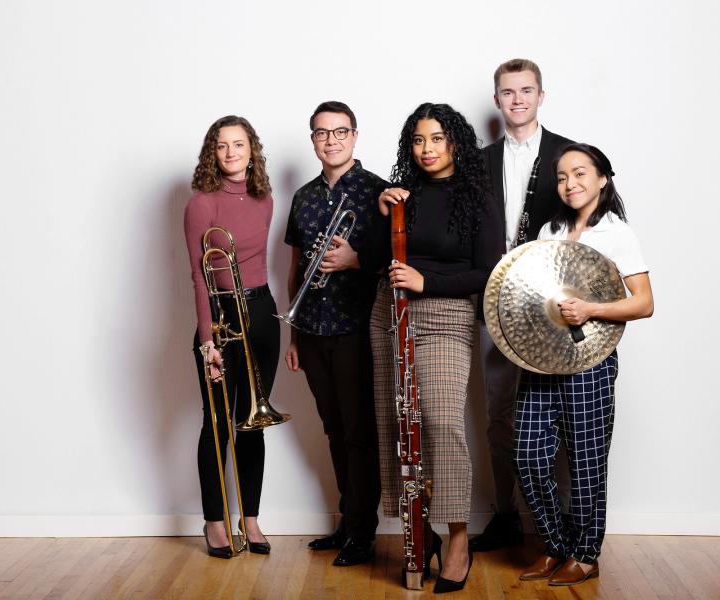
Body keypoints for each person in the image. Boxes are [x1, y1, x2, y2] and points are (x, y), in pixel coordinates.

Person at [374, 103, 503, 593]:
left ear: (455, 143)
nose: (426, 150)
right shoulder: (402, 195)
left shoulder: (478, 198)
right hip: (388, 311)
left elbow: (488, 273)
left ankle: (457, 538)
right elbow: (373, 261)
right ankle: (416, 532)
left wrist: (427, 281)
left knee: (442, 421)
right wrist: (382, 213)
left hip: (445, 314)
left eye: (436, 139)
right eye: (418, 140)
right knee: (395, 422)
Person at [514, 143, 654, 586]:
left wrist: (590, 309)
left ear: (602, 179)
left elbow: (644, 303)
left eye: (579, 174)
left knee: (587, 460)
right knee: (528, 453)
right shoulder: (549, 230)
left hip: (590, 360)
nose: (569, 183)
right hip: (541, 359)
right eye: (561, 176)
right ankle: (555, 545)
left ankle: (586, 554)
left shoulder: (616, 233)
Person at [472, 58, 575, 552]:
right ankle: (507, 513)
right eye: (508, 92)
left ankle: (562, 520)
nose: (517, 99)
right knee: (499, 412)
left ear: (541, 95)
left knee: (559, 410)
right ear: (497, 100)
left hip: (550, 305)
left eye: (526, 90)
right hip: (495, 303)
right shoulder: (480, 160)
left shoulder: (566, 154)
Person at [283, 101, 384, 567]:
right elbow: (295, 266)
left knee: (360, 432)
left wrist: (356, 260)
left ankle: (363, 532)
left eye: (340, 132)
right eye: (322, 133)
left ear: (355, 136)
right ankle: (349, 520)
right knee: (334, 428)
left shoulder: (379, 191)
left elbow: (398, 264)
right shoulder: (302, 197)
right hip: (313, 328)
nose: (332, 140)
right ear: (313, 140)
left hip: (357, 329)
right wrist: (293, 334)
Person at [184, 115, 278, 558]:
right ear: (212, 152)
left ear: (251, 149)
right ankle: (215, 522)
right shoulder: (201, 204)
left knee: (252, 423)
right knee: (217, 423)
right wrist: (207, 342)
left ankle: (252, 520)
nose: (231, 153)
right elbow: (199, 278)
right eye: (221, 145)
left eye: (238, 144)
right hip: (220, 317)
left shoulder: (265, 198)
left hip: (261, 312)